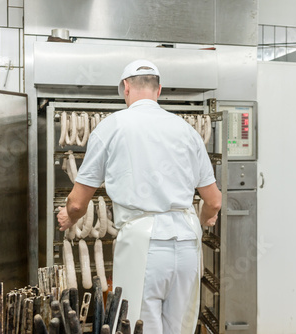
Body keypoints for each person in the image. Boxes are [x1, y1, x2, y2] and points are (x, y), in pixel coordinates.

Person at [57, 59, 222, 333]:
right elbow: (214, 200)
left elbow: (76, 202)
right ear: (159, 91)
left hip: (143, 243)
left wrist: (68, 217)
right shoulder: (186, 130)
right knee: (179, 327)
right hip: (188, 242)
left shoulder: (112, 127)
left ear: (126, 88)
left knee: (138, 325)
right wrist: (204, 219)